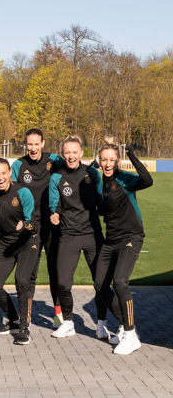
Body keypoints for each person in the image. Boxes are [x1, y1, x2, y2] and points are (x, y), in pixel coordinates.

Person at [93, 144, 153, 355]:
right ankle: (124, 324)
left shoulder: (125, 178)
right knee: (100, 285)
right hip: (111, 240)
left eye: (112, 159)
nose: (107, 164)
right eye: (104, 159)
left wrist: (131, 155)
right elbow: (104, 208)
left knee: (120, 281)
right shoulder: (103, 181)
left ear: (117, 160)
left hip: (131, 237)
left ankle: (130, 334)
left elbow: (147, 180)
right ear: (100, 161)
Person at [49, 136, 109, 339]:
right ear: (62, 154)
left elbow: (101, 199)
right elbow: (54, 205)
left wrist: (106, 211)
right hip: (69, 236)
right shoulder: (56, 177)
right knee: (63, 284)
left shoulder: (92, 173)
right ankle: (68, 323)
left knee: (100, 283)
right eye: (67, 152)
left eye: (75, 152)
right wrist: (54, 214)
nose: (71, 156)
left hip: (93, 235)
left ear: (81, 153)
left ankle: (102, 324)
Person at [10, 128, 66, 327]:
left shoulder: (56, 160)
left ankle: (59, 315)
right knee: (30, 273)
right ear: (25, 145)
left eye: (36, 144)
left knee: (55, 271)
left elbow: (72, 174)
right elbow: (11, 194)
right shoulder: (18, 165)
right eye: (29, 144)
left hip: (52, 225)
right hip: (30, 226)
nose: (33, 148)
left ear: (43, 143)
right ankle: (27, 316)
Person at [0, 158, 38, 345]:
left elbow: (34, 224)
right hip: (5, 242)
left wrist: (25, 225)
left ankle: (24, 326)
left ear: (10, 173)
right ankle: (14, 319)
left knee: (22, 281)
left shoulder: (23, 192)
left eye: (3, 173)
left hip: (28, 242)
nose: (0, 177)